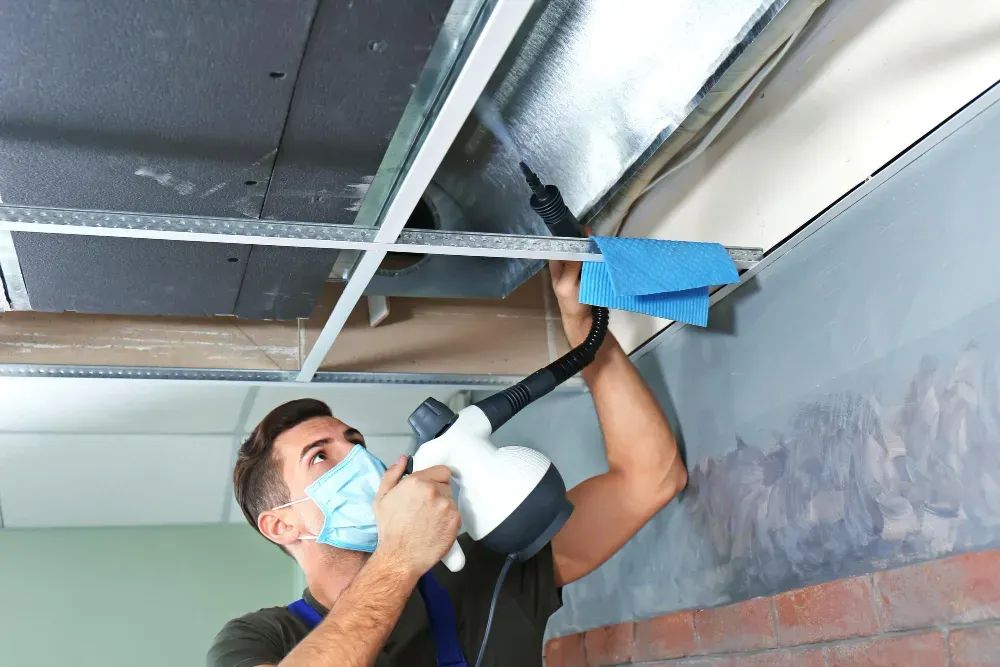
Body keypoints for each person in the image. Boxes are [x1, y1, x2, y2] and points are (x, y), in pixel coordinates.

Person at [208, 261, 688, 667]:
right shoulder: (261, 638)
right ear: (281, 525)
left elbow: (650, 478)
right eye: (320, 457)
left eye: (355, 442)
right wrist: (399, 557)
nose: (356, 457)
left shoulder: (482, 568)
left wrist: (583, 325)